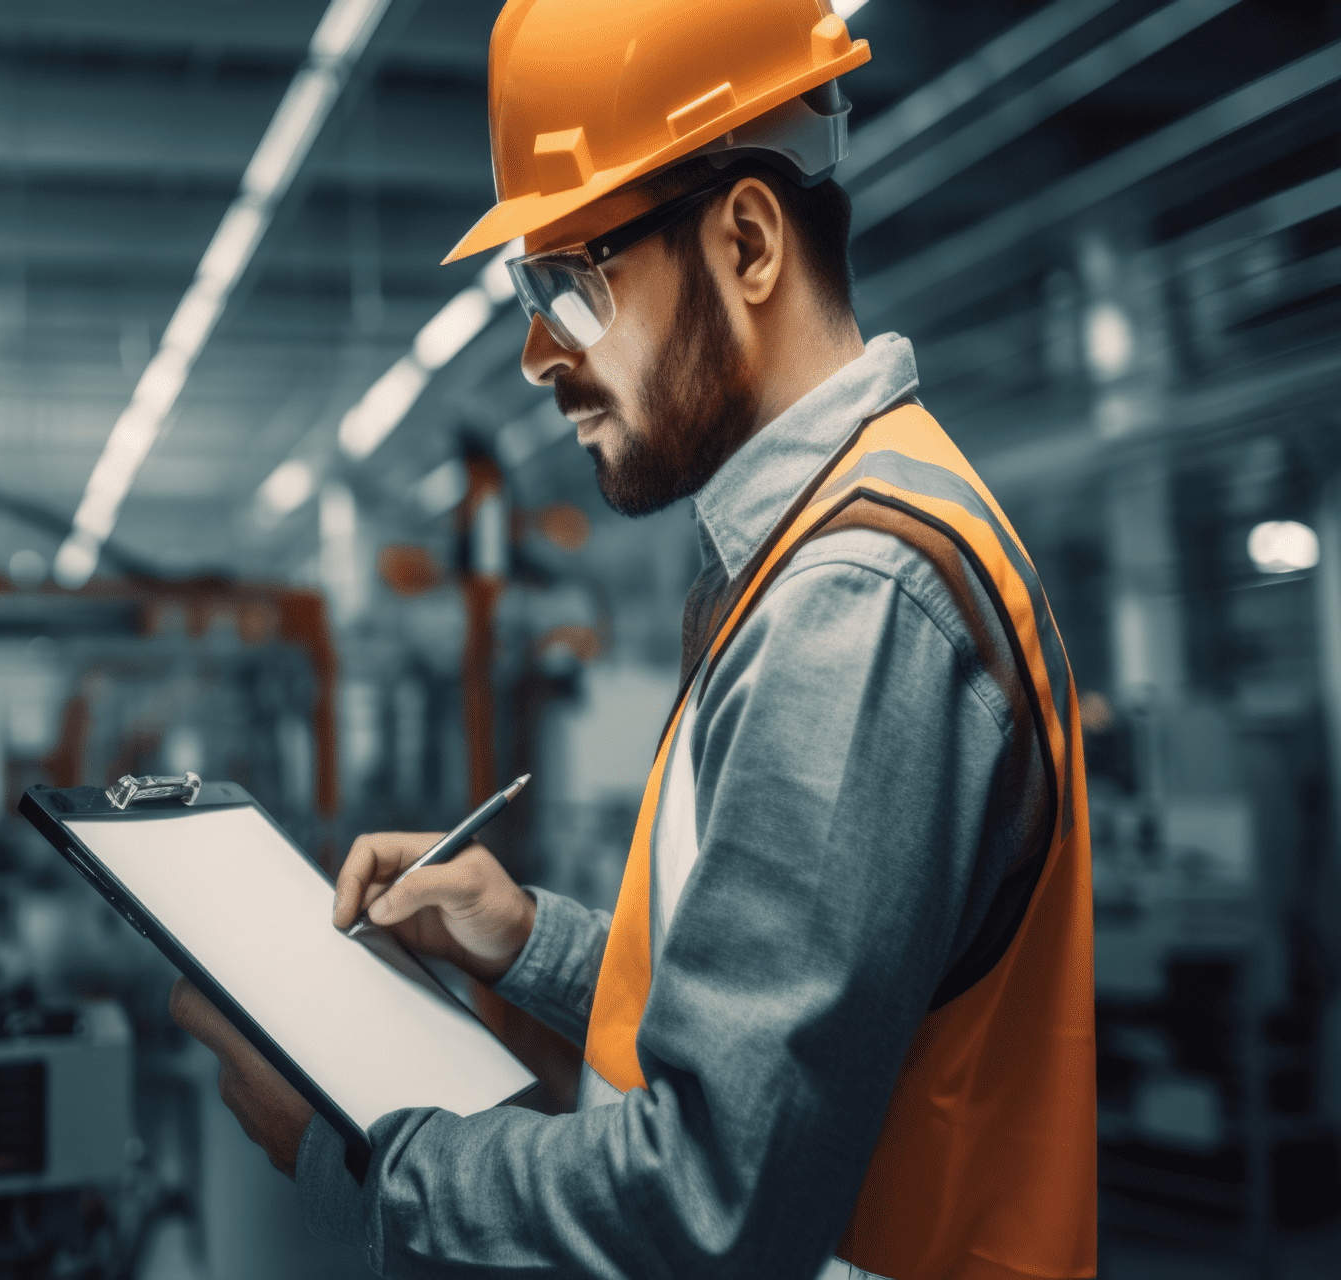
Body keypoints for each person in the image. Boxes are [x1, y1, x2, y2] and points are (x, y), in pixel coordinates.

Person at [171, 2, 1097, 1277]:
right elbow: (800, 1022)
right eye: (529, 290)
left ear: (751, 240)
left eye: (574, 283)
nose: (540, 353)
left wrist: (358, 1154)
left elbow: (708, 1196)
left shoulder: (855, 598)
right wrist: (530, 938)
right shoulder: (809, 550)